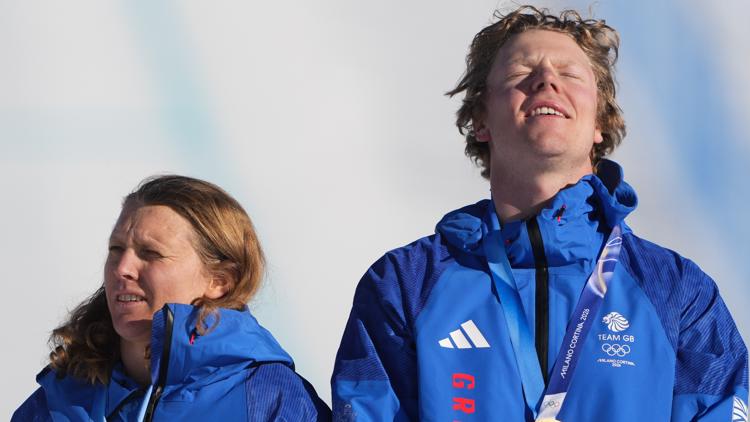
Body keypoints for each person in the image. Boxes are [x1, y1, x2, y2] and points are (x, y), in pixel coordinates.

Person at [331, 5, 748, 421]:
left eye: (569, 74)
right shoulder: (407, 284)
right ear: (480, 120)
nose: (546, 80)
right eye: (520, 72)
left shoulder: (677, 290)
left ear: (600, 122)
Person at [13, 175, 331, 421]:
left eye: (151, 253)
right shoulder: (60, 399)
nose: (122, 268)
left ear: (220, 281)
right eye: (116, 249)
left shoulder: (269, 400)